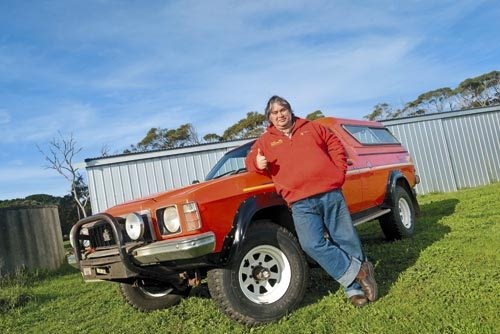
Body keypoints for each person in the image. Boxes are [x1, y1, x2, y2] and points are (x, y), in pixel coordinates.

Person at [245, 95, 378, 306]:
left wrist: (338, 172)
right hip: (299, 202)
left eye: (283, 110)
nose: (280, 115)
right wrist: (257, 162)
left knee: (344, 238)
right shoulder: (265, 140)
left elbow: (335, 144)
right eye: (275, 112)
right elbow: (250, 161)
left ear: (289, 110)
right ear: (269, 117)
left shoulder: (312, 127)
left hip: (329, 193)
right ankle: (360, 272)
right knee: (311, 244)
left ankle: (353, 290)